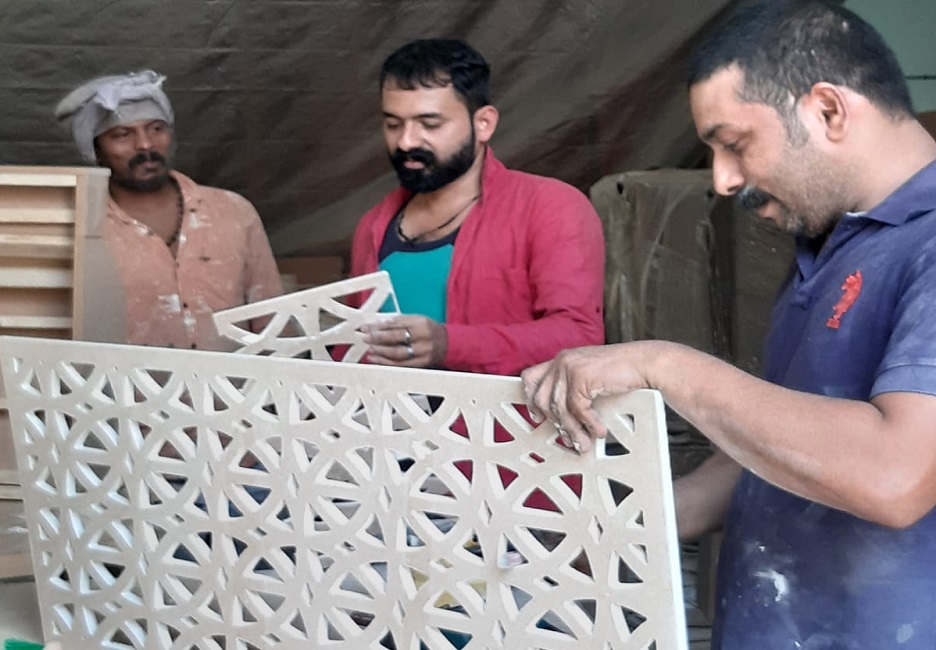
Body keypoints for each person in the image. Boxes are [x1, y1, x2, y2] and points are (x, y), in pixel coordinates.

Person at [523, 1, 936, 648]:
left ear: (829, 111)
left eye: (735, 144)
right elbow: (773, 447)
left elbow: (897, 476)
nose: (722, 180)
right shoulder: (829, 245)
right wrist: (627, 526)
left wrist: (665, 365)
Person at [351, 39, 605, 376]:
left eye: (430, 124)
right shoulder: (373, 226)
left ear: (484, 123)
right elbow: (351, 348)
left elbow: (579, 336)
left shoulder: (551, 208)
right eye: (393, 124)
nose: (406, 141)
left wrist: (449, 345)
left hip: (501, 413)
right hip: (382, 412)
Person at [55, 70, 283, 351]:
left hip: (233, 381)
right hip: (128, 381)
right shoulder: (81, 227)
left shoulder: (234, 211)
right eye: (122, 134)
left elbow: (275, 324)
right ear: (95, 150)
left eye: (156, 129)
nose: (145, 144)